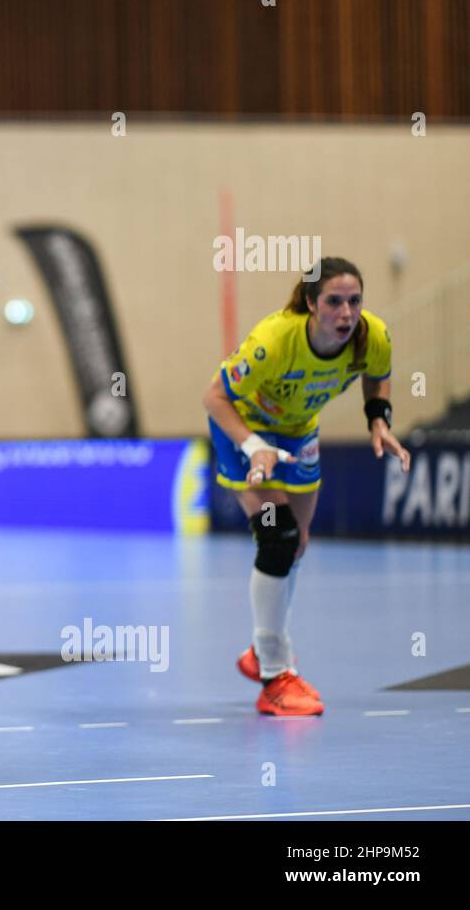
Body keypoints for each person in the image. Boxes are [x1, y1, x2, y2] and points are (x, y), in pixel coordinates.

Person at [202, 257, 409, 716]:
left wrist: (378, 418)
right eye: (334, 302)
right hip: (244, 426)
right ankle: (275, 676)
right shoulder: (274, 341)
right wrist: (255, 445)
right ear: (311, 304)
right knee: (278, 537)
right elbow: (214, 396)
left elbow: (379, 372)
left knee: (298, 546)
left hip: (297, 430)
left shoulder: (371, 335)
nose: (346, 313)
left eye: (354, 302)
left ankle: (261, 652)